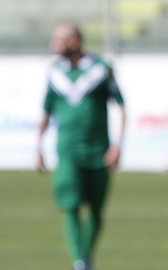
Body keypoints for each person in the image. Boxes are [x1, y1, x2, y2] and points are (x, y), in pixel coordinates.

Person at [37, 22, 126, 270]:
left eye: (57, 39)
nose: (52, 45)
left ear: (74, 42)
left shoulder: (101, 69)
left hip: (99, 151)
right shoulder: (54, 72)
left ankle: (86, 256)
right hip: (68, 151)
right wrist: (38, 147)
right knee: (71, 205)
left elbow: (121, 105)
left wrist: (118, 145)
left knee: (96, 210)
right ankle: (79, 262)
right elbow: (46, 110)